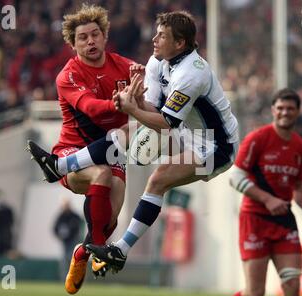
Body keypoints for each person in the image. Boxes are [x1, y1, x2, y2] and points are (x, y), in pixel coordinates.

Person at [85, 11, 240, 273]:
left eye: (162, 35)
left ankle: (120, 250)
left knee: (158, 178)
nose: (154, 39)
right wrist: (137, 102)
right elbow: (156, 111)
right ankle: (62, 163)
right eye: (156, 32)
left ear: (179, 43)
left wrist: (132, 109)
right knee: (127, 132)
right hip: (189, 138)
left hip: (218, 147)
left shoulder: (192, 73)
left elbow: (167, 123)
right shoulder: (160, 62)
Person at [26, 4, 140, 294]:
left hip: (114, 150)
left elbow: (152, 88)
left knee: (110, 220)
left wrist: (145, 81)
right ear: (73, 43)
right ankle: (59, 166)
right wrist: (116, 104)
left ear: (104, 37)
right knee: (102, 172)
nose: (90, 41)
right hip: (73, 151)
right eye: (83, 38)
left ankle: (83, 254)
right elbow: (91, 109)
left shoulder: (125, 67)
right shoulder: (68, 75)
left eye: (95, 35)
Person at [228, 88, 302, 296]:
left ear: (298, 112)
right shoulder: (257, 138)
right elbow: (234, 177)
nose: (285, 112)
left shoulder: (300, 146)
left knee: (292, 285)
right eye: (280, 108)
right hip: (254, 219)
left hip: (284, 222)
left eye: (290, 108)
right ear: (273, 110)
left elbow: (299, 187)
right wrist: (268, 199)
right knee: (255, 293)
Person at [53, 198, 83, 279]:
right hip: (65, 242)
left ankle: (76, 277)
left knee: (73, 259)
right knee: (64, 260)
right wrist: (59, 236)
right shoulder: (61, 216)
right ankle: (65, 278)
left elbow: (80, 226)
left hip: (74, 240)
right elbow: (55, 228)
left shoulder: (75, 216)